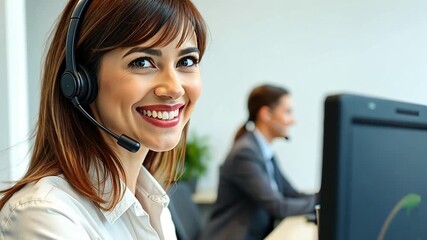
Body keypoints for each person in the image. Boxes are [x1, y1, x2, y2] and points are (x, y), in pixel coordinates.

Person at [0, 0, 207, 239]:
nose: (174, 88)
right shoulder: (45, 215)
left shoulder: (153, 207)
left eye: (186, 61)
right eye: (141, 62)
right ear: (81, 81)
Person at [201, 84, 318, 240]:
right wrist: (323, 201)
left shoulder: (264, 152)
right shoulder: (245, 153)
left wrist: (325, 196)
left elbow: (290, 194)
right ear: (266, 114)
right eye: (288, 112)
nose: (293, 120)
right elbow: (278, 206)